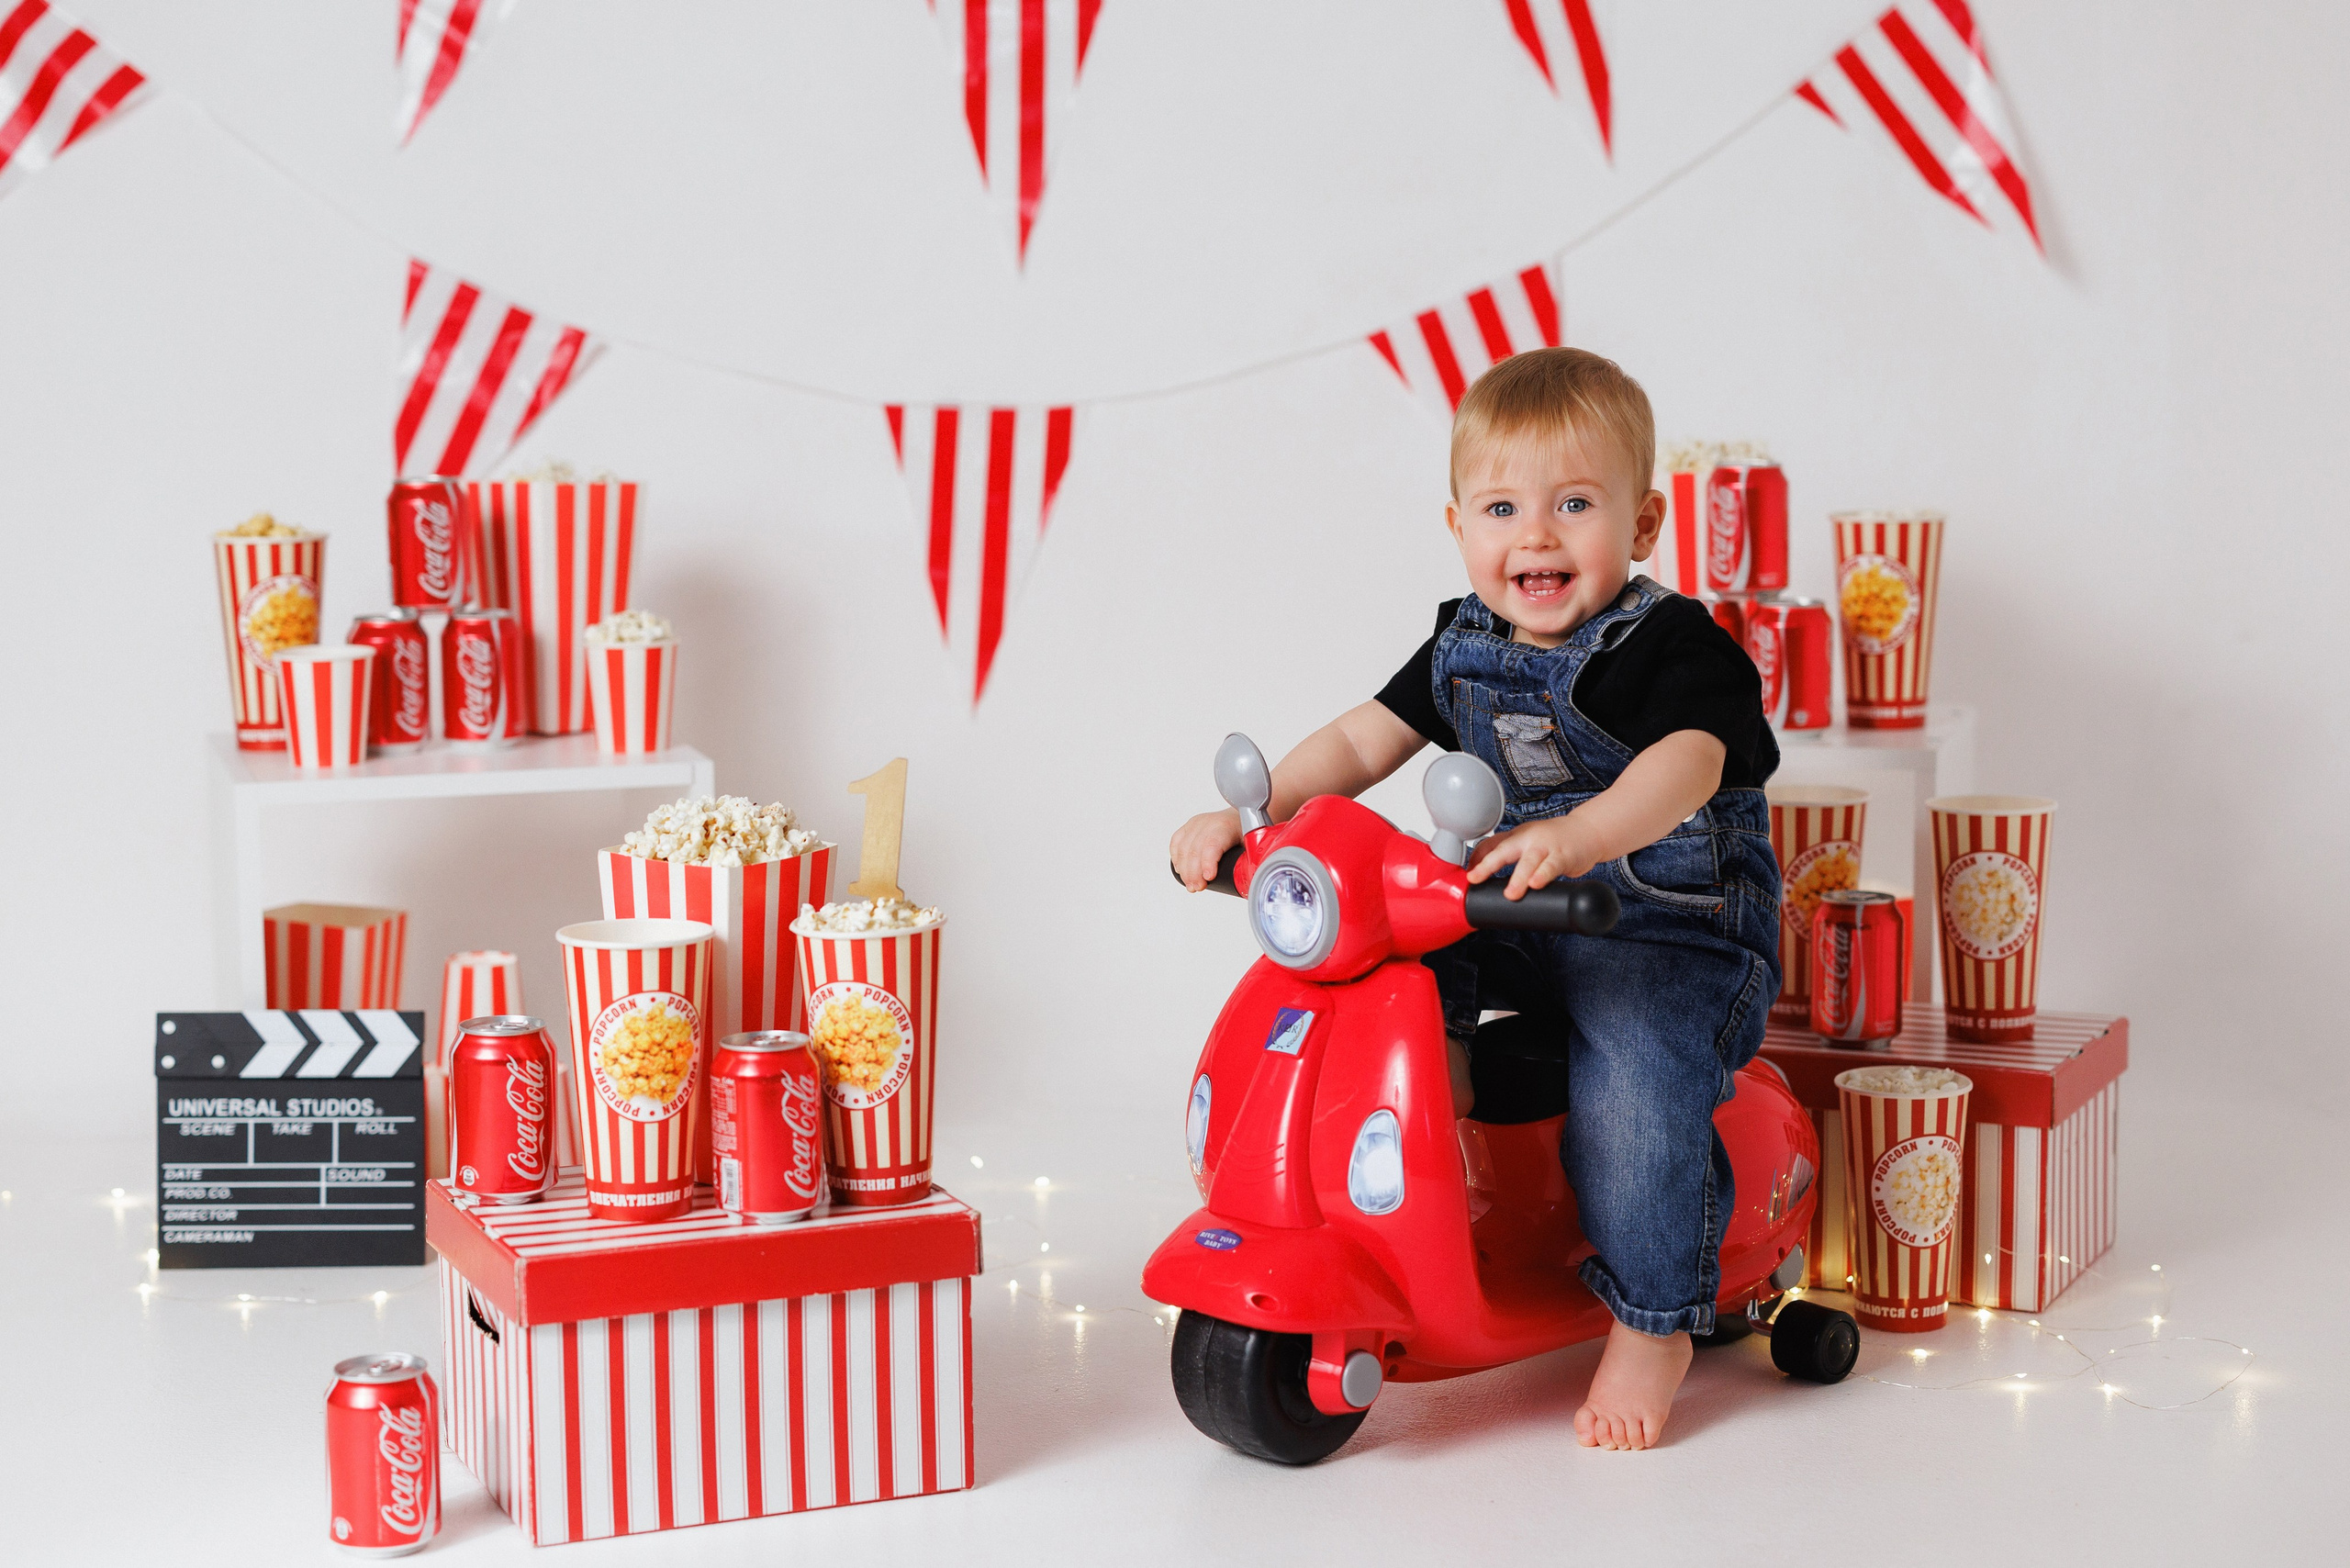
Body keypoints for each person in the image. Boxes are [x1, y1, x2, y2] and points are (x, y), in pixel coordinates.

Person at [1169, 347, 1782, 1450]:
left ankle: (1654, 1321)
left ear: (1643, 523)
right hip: (1517, 912)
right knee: (1381, 948)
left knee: (1634, 1088)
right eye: (1502, 509)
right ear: (1458, 525)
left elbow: (1686, 765)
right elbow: (1362, 738)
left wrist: (1582, 834)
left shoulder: (1677, 646)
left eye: (1574, 504)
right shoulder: (1464, 641)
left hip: (1668, 930)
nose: (1535, 536)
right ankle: (1434, 1078)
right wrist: (1256, 822)